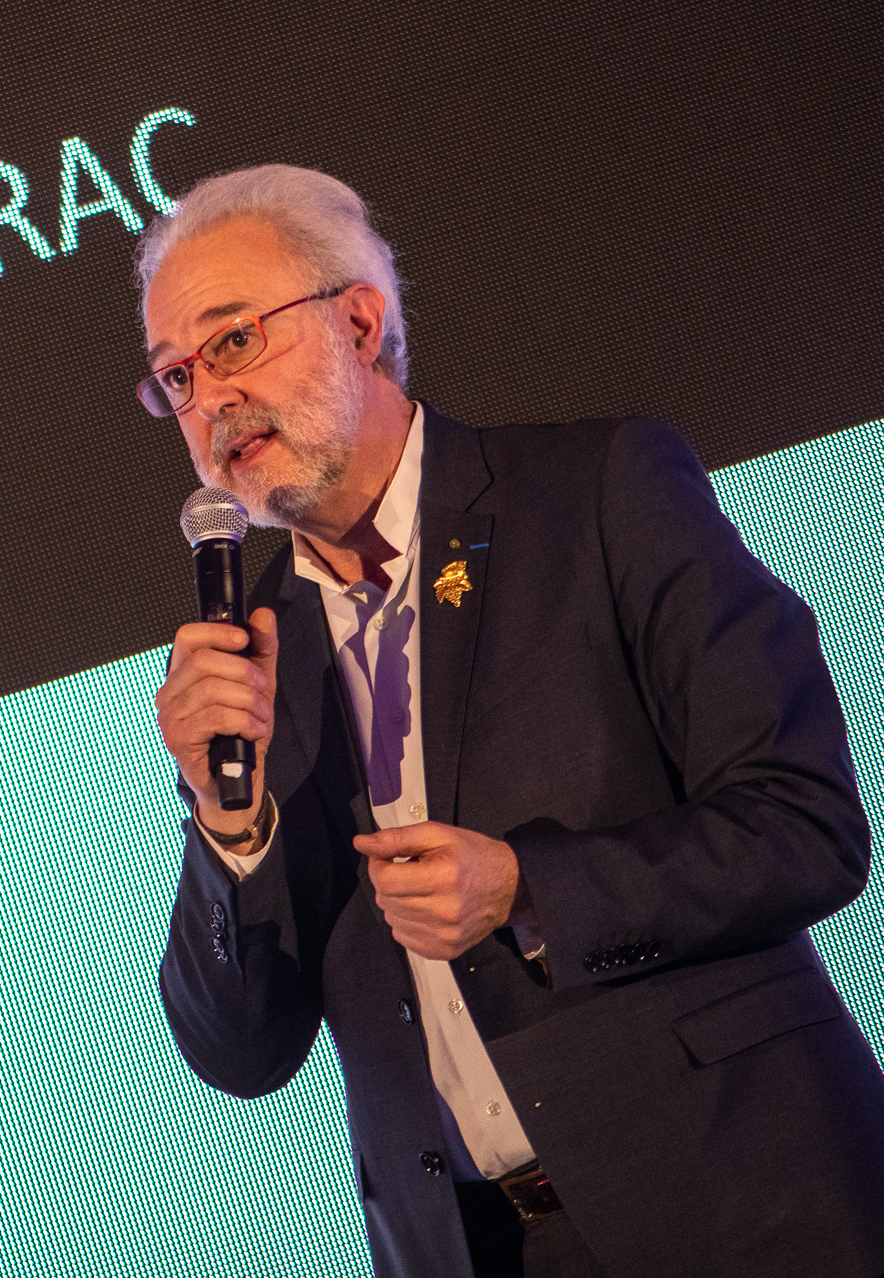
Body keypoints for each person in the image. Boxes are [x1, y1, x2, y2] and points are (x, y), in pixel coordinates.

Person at [141, 165, 884, 1277]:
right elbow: (238, 1051)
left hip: (744, 1205)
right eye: (176, 377)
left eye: (233, 340)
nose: (209, 400)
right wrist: (224, 821)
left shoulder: (596, 489)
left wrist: (530, 889)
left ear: (358, 322)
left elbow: (804, 823)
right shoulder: (250, 657)